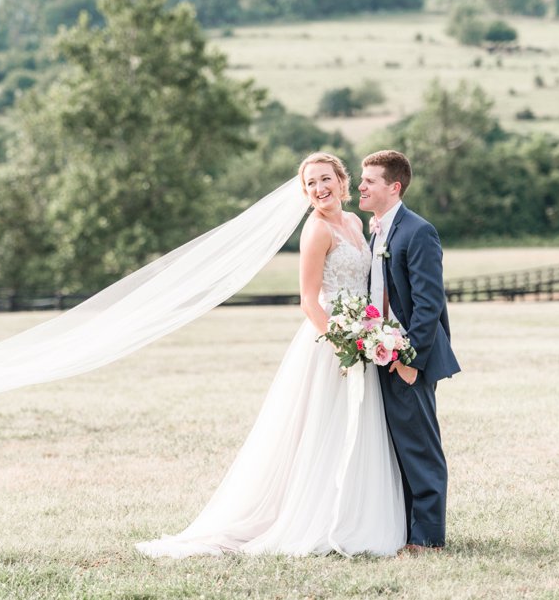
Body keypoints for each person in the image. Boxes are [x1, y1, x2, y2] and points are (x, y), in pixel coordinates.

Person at [136, 153, 406, 558]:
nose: (319, 188)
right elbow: (308, 301)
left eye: (325, 179)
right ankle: (311, 517)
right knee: (319, 430)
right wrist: (343, 342)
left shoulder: (354, 223)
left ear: (342, 180)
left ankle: (350, 511)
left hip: (362, 339)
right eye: (310, 183)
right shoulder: (315, 231)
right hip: (331, 343)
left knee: (356, 425)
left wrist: (372, 333)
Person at [359, 150, 460, 551]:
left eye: (369, 180)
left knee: (420, 448)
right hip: (380, 355)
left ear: (393, 186)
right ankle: (402, 531)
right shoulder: (379, 229)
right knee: (394, 447)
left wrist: (408, 360)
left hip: (407, 359)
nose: (361, 186)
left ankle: (428, 538)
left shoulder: (418, 231)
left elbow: (428, 304)